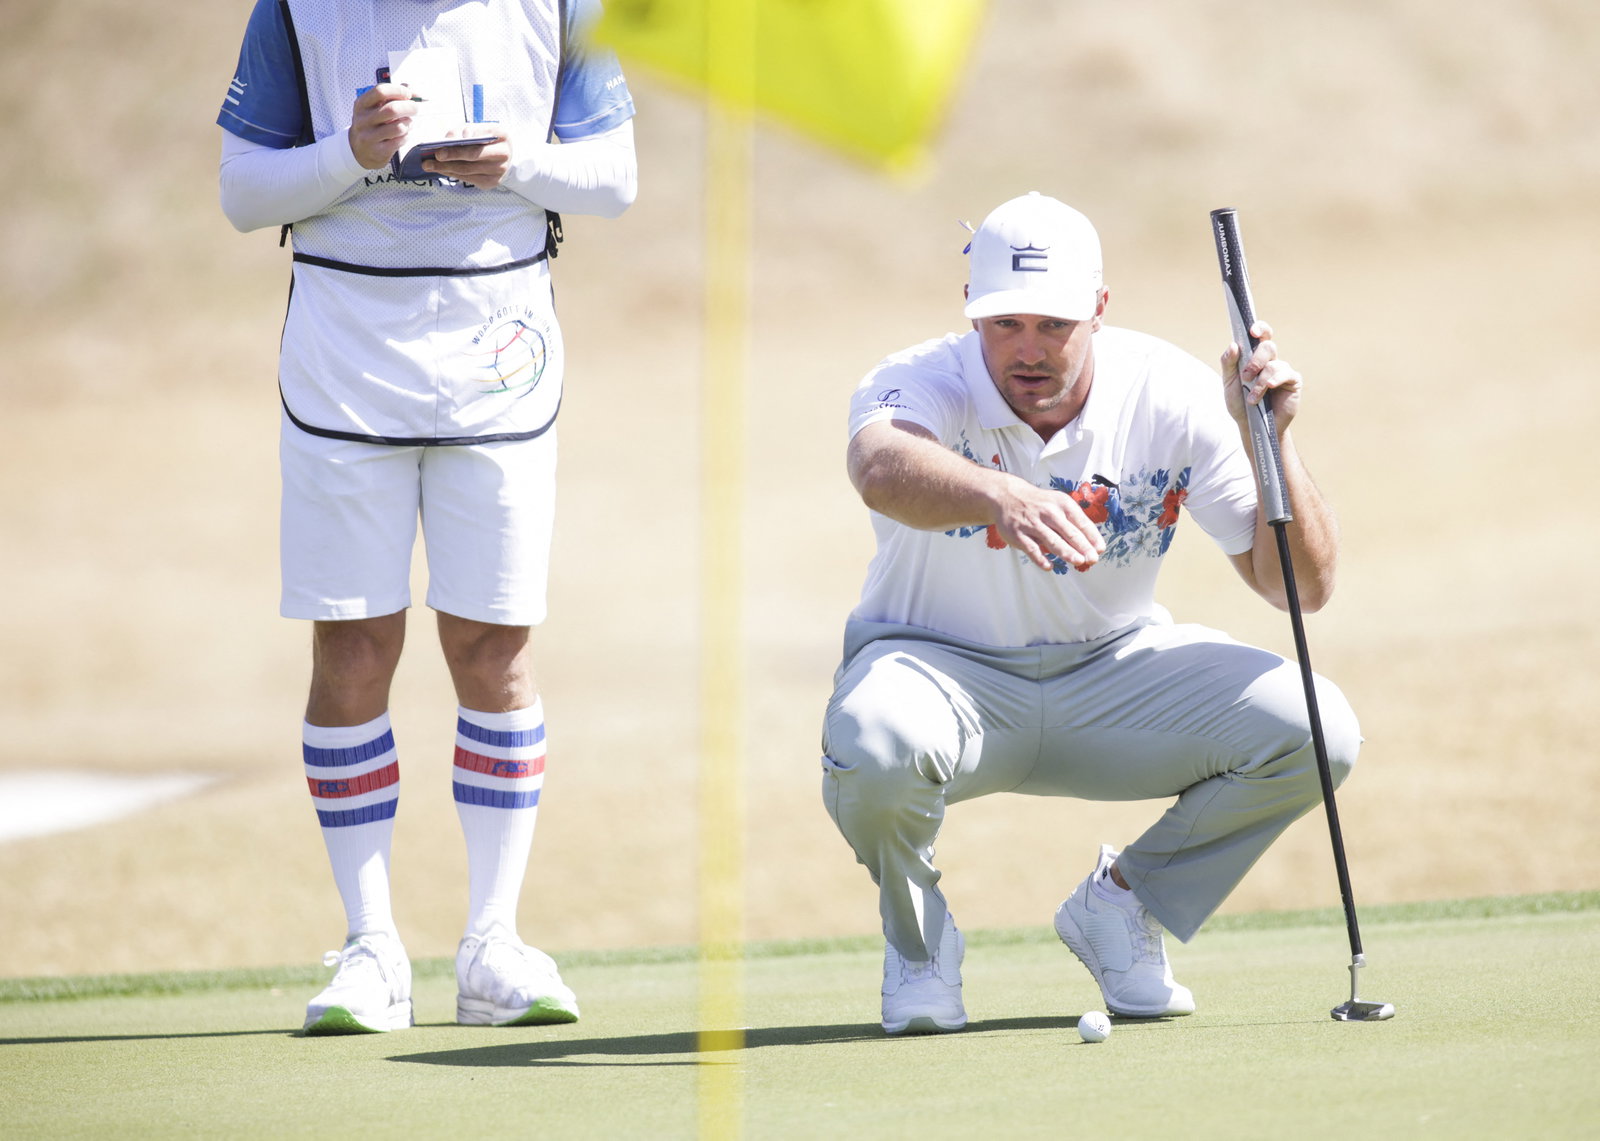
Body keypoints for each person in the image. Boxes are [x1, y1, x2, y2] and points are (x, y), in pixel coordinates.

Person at [821, 192, 1361, 1034]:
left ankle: (1123, 906)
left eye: (1053, 324)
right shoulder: (919, 378)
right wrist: (1003, 495)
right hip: (942, 678)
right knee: (873, 741)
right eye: (1004, 324)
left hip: (1112, 675)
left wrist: (1273, 438)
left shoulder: (1172, 391)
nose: (1026, 350)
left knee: (1317, 729)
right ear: (972, 317)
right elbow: (879, 466)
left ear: (1099, 310)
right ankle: (919, 946)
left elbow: (1300, 586)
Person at [216, 0, 637, 1035]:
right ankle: (370, 947)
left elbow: (615, 178)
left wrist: (520, 162)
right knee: (353, 642)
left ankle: (493, 942)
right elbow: (240, 190)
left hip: (499, 344)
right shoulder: (297, 7)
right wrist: (349, 154)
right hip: (344, 350)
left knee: (492, 643)